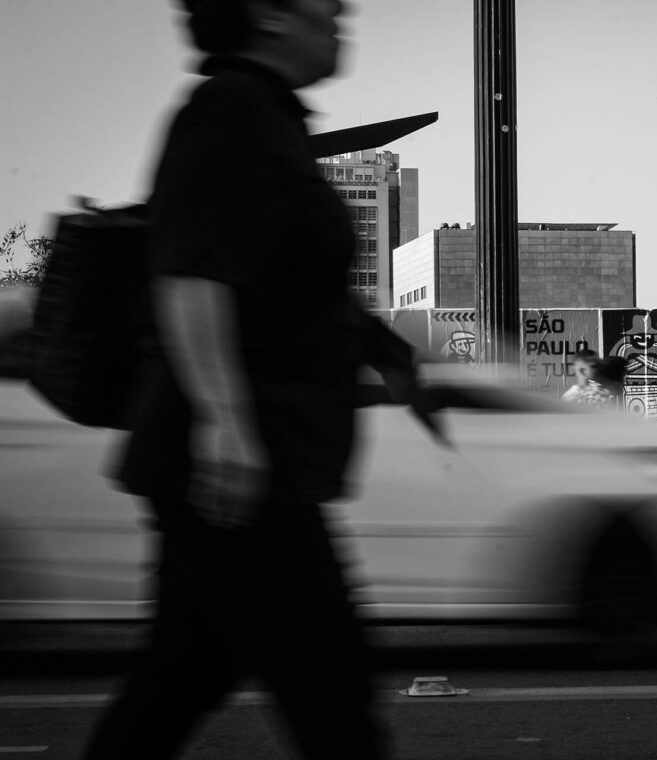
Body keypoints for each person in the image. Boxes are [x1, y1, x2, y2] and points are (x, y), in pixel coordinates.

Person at [82, 2, 420, 757]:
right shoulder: (232, 109)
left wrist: (387, 352)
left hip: (246, 462)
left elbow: (286, 282)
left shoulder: (266, 117)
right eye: (323, 4)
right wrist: (224, 422)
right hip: (245, 468)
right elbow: (189, 274)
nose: (341, 11)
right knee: (332, 693)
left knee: (183, 676)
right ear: (269, 14)